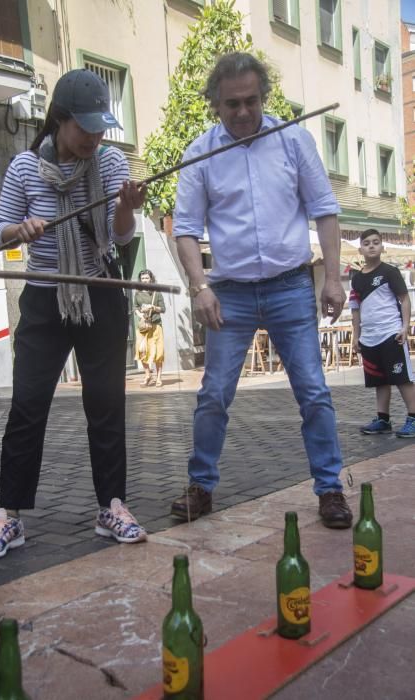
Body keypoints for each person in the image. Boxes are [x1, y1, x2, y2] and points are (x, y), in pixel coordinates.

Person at [170, 52, 353, 529]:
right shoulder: (200, 153)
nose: (243, 112)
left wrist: (332, 277)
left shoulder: (293, 140)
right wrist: (200, 286)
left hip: (290, 286)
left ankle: (331, 488)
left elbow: (325, 210)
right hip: (227, 292)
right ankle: (201, 484)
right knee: (213, 393)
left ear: (263, 97)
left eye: (251, 101)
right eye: (232, 104)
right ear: (215, 104)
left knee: (313, 391)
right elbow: (185, 228)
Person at [0, 68, 148, 560]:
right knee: (28, 406)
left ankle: (111, 505)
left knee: (107, 405)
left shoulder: (111, 161)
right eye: (85, 127)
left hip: (99, 292)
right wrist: (19, 232)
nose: (94, 137)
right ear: (60, 120)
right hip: (46, 299)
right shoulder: (25, 167)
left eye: (100, 128)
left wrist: (126, 208)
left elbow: (120, 236)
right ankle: (9, 515)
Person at [350, 228, 415, 437]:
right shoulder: (356, 279)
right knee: (380, 380)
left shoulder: (390, 272)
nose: (371, 245)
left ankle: (413, 419)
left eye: (376, 242)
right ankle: (383, 419)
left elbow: (405, 299)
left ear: (382, 247)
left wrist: (404, 327)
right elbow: (355, 309)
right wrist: (356, 335)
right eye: (367, 243)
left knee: (402, 378)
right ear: (360, 249)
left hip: (391, 333)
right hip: (369, 338)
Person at [134, 269, 166, 387]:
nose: (145, 280)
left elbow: (163, 309)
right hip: (143, 326)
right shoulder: (137, 293)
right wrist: (140, 314)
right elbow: (135, 307)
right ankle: (148, 375)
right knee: (141, 351)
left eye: (147, 278)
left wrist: (153, 307)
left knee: (158, 353)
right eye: (142, 278)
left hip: (156, 326)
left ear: (151, 279)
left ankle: (158, 378)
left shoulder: (157, 293)